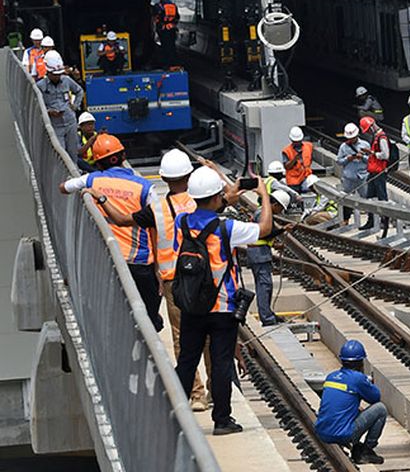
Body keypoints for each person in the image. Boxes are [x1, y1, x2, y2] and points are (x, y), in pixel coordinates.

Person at [91, 148, 222, 411]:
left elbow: (120, 219)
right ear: (190, 174)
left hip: (174, 279)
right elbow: (229, 192)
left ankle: (195, 395)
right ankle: (213, 392)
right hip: (206, 279)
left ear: (163, 178)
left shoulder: (157, 209)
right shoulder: (205, 201)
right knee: (210, 335)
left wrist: (101, 197)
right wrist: (212, 169)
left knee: (180, 337)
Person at [174, 167, 272, 435]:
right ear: (216, 196)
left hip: (192, 304)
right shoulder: (227, 227)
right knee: (220, 362)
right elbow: (265, 228)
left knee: (187, 359)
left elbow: (178, 246)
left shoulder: (181, 223)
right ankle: (222, 420)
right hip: (222, 306)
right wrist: (262, 194)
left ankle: (177, 416)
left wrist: (228, 194)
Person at [58, 134, 164, 332]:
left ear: (98, 162)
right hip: (139, 262)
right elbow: (157, 225)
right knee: (148, 320)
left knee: (113, 316)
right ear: (123, 156)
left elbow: (63, 187)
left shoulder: (92, 180)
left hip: (105, 259)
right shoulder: (145, 187)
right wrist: (159, 268)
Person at [315, 340, 387, 464]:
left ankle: (352, 444)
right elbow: (375, 398)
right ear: (360, 363)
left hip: (322, 432)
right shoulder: (358, 378)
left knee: (351, 408)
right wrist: (367, 382)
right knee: (380, 409)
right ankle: (366, 450)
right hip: (342, 435)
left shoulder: (331, 376)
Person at [244, 189, 289, 326]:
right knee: (264, 286)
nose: (280, 212)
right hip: (258, 254)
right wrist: (283, 230)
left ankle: (268, 313)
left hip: (261, 252)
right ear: (275, 204)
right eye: (280, 208)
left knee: (266, 285)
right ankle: (267, 317)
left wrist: (275, 244)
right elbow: (265, 233)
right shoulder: (262, 214)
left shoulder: (263, 212)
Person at [37, 51, 83, 162]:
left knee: (73, 152)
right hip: (55, 125)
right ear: (48, 72)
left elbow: (79, 91)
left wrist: (75, 106)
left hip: (70, 122)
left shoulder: (66, 81)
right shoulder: (40, 86)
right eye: (54, 74)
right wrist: (48, 112)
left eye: (59, 74)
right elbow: (37, 106)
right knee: (61, 154)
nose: (57, 77)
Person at [359, 117, 391, 236]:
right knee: (369, 197)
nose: (367, 132)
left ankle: (384, 220)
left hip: (379, 172)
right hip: (373, 171)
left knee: (382, 197)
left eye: (367, 130)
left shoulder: (382, 137)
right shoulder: (376, 137)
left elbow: (385, 155)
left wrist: (372, 153)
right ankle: (371, 220)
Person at [337, 122, 370, 224]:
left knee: (366, 199)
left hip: (362, 176)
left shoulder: (365, 145)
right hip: (349, 177)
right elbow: (339, 161)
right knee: (346, 199)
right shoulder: (343, 147)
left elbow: (371, 160)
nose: (351, 140)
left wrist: (362, 157)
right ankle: (346, 219)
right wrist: (348, 158)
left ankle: (371, 219)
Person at [282, 126, 316, 192]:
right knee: (295, 198)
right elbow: (286, 166)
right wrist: (295, 159)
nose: (297, 143)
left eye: (298, 141)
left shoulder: (309, 146)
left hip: (306, 176)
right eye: (295, 141)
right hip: (293, 180)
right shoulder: (287, 150)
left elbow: (310, 159)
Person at [155, 0, 180, 67]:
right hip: (172, 29)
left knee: (165, 47)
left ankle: (166, 63)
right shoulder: (173, 6)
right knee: (172, 46)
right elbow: (177, 17)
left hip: (163, 29)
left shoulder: (159, 6)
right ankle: (174, 63)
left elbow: (156, 16)